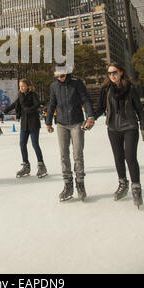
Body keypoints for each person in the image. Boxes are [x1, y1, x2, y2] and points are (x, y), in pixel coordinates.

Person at [94, 62, 144, 209]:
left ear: (121, 72)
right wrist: (91, 118)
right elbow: (100, 107)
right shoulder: (106, 89)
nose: (112, 75)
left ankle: (136, 187)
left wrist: (143, 128)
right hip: (113, 128)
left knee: (130, 157)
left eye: (114, 72)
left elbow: (139, 109)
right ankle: (123, 184)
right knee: (118, 157)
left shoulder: (130, 88)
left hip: (130, 127)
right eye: (109, 73)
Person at [46, 68, 94, 202]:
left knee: (77, 154)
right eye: (57, 75)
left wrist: (90, 116)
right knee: (63, 154)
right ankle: (68, 185)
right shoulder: (54, 86)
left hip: (76, 122)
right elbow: (52, 103)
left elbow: (85, 99)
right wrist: (48, 122)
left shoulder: (76, 83)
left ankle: (80, 184)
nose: (59, 78)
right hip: (61, 123)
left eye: (62, 75)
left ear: (66, 73)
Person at [4, 78, 47, 179]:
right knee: (22, 144)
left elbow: (37, 104)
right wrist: (5, 110)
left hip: (34, 123)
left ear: (28, 86)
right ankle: (26, 165)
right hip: (24, 123)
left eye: (23, 86)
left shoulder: (33, 95)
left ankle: (41, 166)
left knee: (35, 144)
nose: (21, 88)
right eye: (20, 86)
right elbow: (15, 104)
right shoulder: (20, 96)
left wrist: (29, 109)